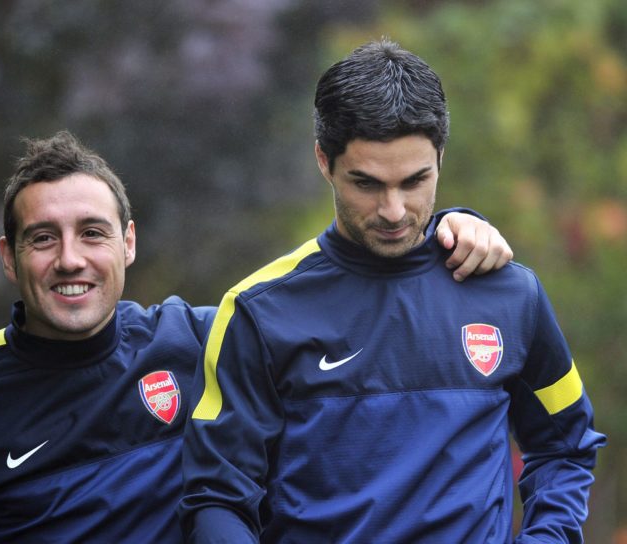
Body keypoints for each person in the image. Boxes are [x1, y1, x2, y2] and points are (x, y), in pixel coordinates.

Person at [0, 131, 511, 543]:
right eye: (44, 238)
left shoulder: (204, 341)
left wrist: (452, 228)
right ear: (9, 256)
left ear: (128, 243)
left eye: (93, 233)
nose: (71, 258)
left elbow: (354, 306)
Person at [180, 40, 606, 543]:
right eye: (366, 184)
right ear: (324, 160)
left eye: (415, 181)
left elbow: (567, 445)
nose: (394, 210)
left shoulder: (510, 294)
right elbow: (217, 497)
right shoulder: (257, 310)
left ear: (441, 157)